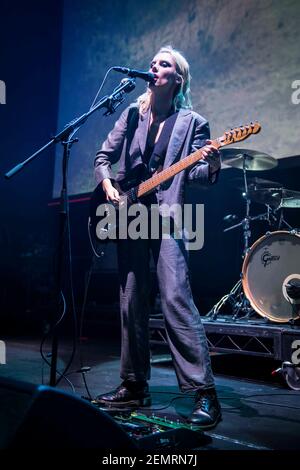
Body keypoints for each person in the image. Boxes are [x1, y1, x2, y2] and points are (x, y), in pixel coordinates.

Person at [94, 45, 222, 429]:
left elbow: (195, 176)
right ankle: (133, 384)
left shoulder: (193, 122)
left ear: (176, 78)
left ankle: (204, 393)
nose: (154, 66)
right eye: (153, 62)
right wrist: (107, 185)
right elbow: (104, 157)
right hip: (130, 213)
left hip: (168, 217)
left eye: (163, 64)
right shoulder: (133, 114)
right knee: (131, 299)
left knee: (175, 296)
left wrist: (212, 161)